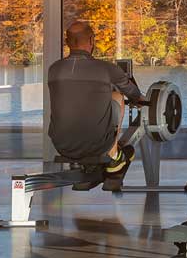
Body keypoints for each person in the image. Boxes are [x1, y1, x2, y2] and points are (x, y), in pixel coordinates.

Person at [46, 21, 147, 181]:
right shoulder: (107, 69)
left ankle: (91, 157)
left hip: (62, 146)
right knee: (117, 96)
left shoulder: (54, 70)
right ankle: (114, 154)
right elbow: (134, 94)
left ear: (67, 42)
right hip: (99, 145)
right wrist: (141, 100)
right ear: (92, 40)